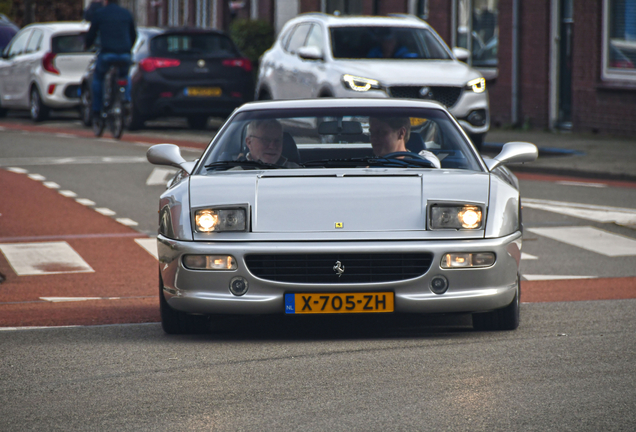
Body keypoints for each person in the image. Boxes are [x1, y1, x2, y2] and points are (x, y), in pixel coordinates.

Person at [84, 0, 136, 121]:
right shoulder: (127, 13)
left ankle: (97, 110)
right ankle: (126, 100)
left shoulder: (100, 13)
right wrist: (128, 48)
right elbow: (133, 34)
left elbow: (91, 34)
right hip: (125, 54)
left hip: (107, 54)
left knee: (98, 78)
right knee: (125, 76)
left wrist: (87, 45)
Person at [369, 117, 440, 168]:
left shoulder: (423, 160)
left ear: (401, 133)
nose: (373, 138)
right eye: (372, 132)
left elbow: (433, 167)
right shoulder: (365, 165)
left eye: (381, 132)